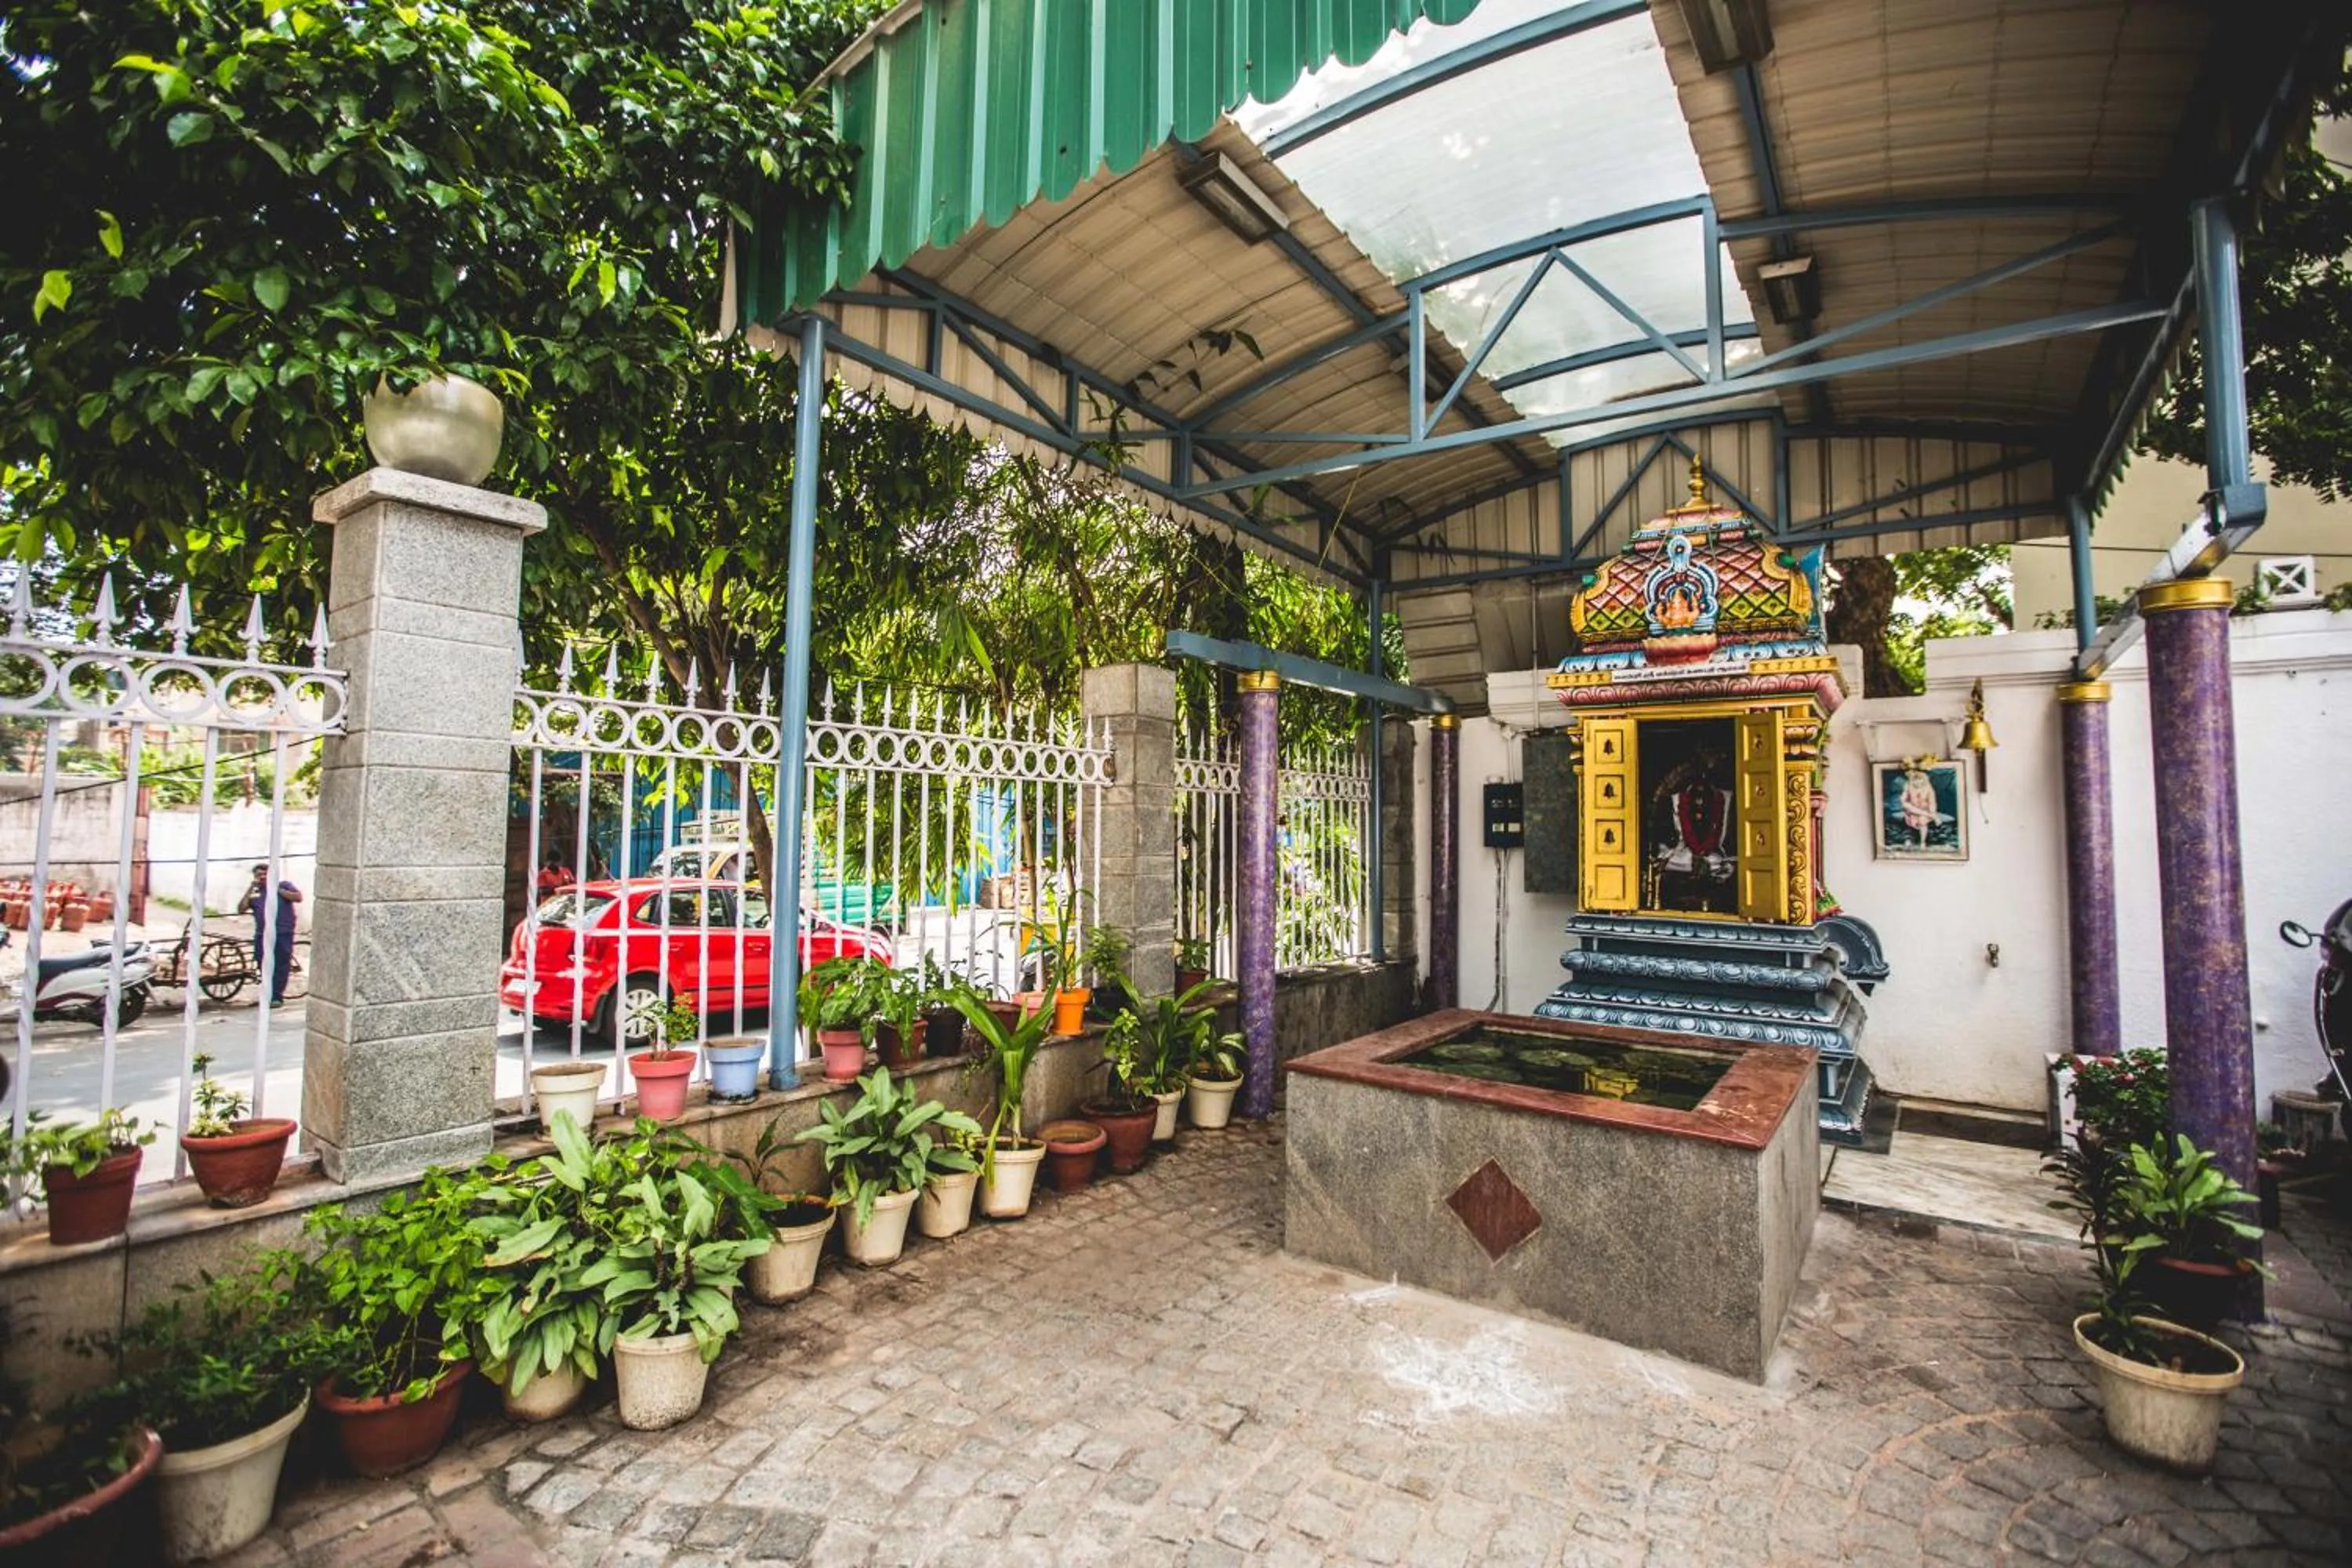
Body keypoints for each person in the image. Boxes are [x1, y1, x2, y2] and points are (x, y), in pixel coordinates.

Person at [241, 864, 302, 1007]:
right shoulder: (256, 892)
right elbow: (241, 908)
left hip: (282, 932)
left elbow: (298, 897)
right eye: (259, 875)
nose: (262, 877)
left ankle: (276, 996)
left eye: (265, 874)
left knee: (280, 964)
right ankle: (267, 994)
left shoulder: (284, 885)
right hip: (262, 934)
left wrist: (277, 889)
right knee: (263, 963)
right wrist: (250, 889)